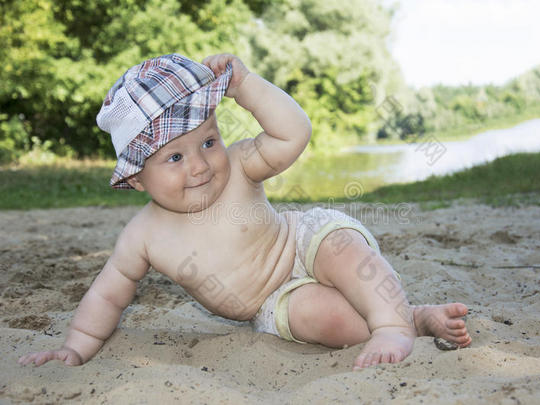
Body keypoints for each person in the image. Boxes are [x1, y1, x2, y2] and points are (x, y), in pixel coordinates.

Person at [17, 53, 471, 371]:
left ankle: (391, 324)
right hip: (272, 304)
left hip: (301, 242)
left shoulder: (236, 167)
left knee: (342, 249)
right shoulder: (142, 236)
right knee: (322, 320)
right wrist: (75, 348)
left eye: (208, 142)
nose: (199, 165)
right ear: (136, 178)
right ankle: (415, 317)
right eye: (174, 158)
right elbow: (106, 296)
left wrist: (247, 87)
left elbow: (292, 134)